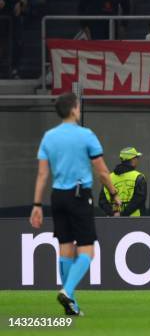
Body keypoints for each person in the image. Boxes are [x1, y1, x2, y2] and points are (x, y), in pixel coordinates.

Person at [29, 92, 120, 316]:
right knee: (87, 250)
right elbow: (102, 171)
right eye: (78, 106)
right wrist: (113, 193)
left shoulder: (49, 137)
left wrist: (37, 204)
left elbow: (42, 174)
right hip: (79, 195)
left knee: (65, 249)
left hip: (57, 196)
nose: (79, 110)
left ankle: (72, 304)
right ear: (72, 110)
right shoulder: (86, 135)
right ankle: (68, 291)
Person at [98, 147, 147, 217]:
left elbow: (102, 201)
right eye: (137, 158)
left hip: (113, 221)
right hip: (136, 221)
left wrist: (113, 214)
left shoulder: (109, 178)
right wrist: (123, 214)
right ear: (133, 160)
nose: (137, 160)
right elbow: (139, 200)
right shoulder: (139, 177)